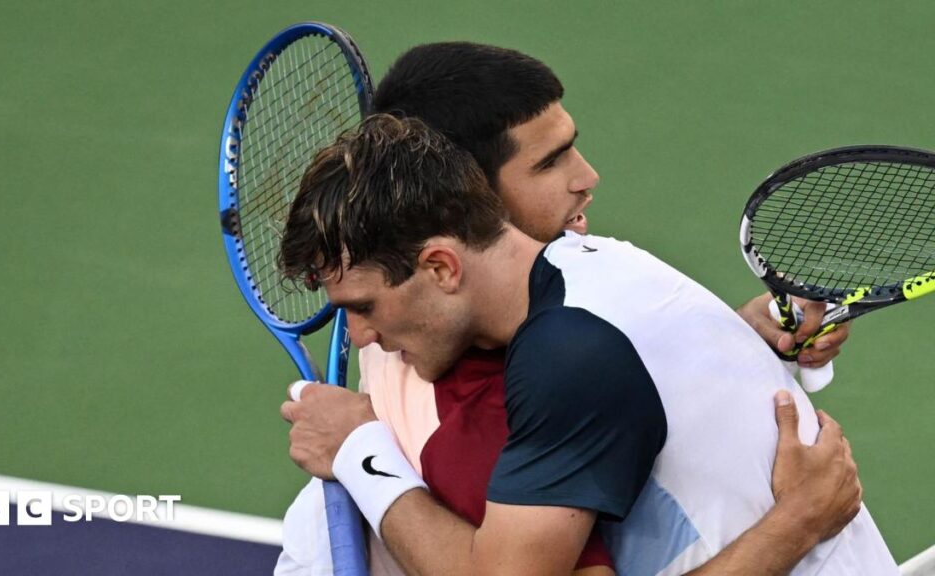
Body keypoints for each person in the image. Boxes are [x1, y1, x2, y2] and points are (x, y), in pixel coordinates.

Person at [274, 42, 861, 576]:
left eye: (366, 306)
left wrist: (361, 454)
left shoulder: (557, 356)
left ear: (442, 265)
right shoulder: (598, 267)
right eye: (549, 161)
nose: (361, 336)